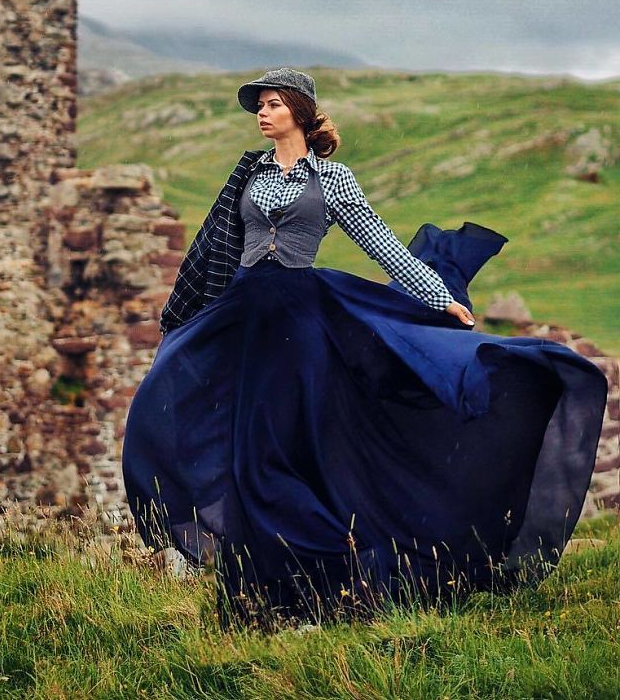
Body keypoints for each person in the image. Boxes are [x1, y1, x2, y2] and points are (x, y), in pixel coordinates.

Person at [121, 68, 607, 630]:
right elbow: (217, 248)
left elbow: (382, 245)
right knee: (214, 436)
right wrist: (191, 314)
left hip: (298, 323)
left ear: (299, 113)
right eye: (259, 105)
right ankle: (257, 588)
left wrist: (439, 295)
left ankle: (318, 584)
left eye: (273, 104)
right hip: (242, 318)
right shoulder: (247, 174)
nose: (262, 112)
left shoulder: (332, 180)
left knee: (279, 451)